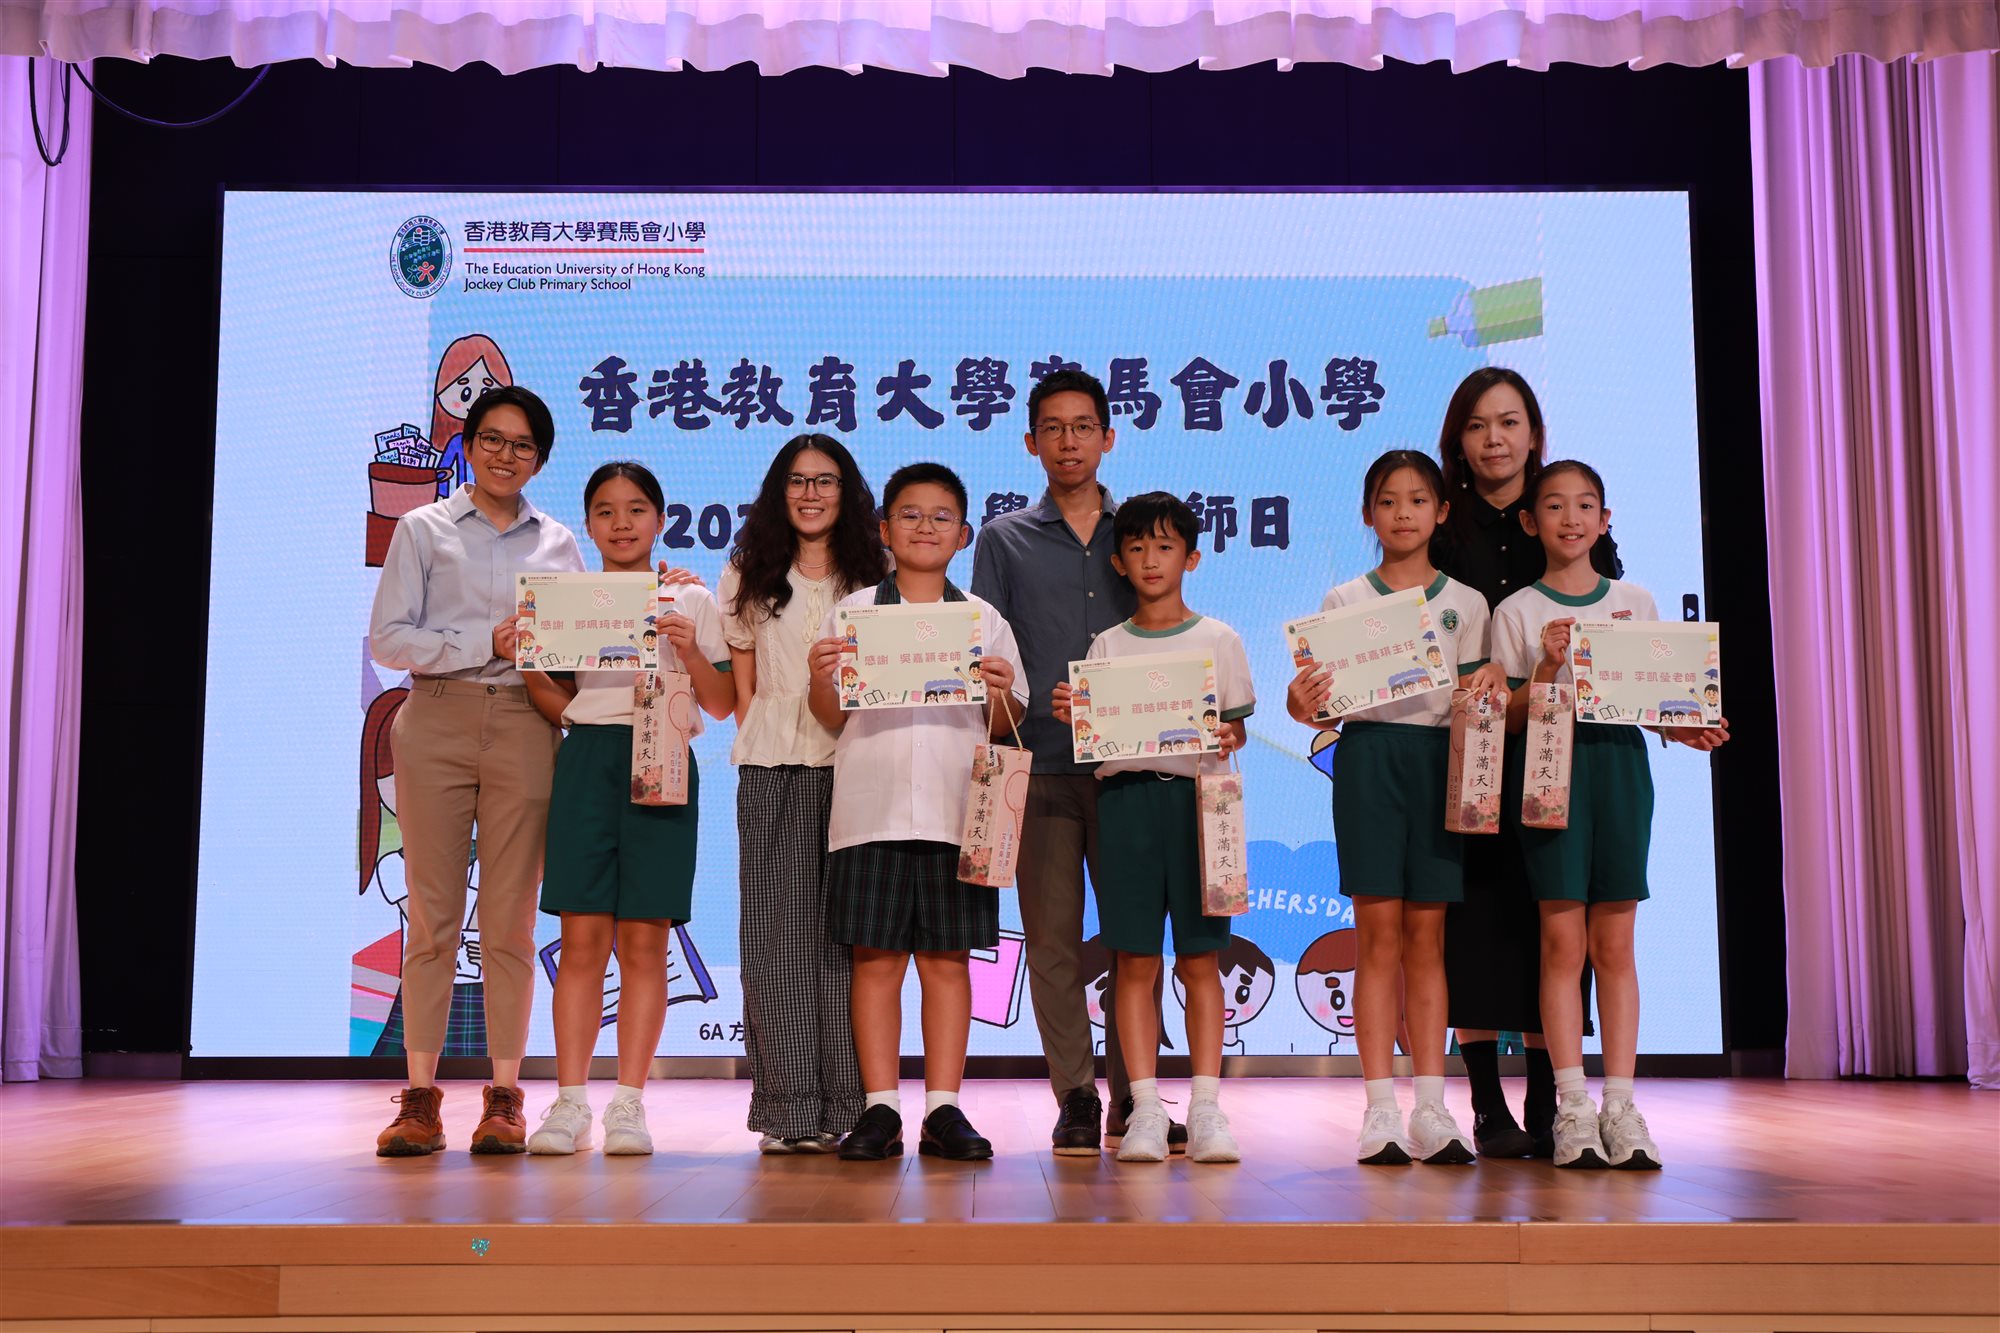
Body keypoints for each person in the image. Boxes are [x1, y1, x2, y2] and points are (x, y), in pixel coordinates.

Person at [1492, 461, 1729, 1169]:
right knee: (1562, 945)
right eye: (1554, 506)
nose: (1571, 519)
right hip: (1550, 774)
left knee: (1617, 946)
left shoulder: (1634, 600)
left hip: (1621, 773)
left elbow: (1654, 701)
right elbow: (1504, 718)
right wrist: (1544, 668)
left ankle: (1620, 1104)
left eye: (1585, 505)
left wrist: (1686, 727)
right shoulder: (1516, 611)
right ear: (1530, 521)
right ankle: (1572, 1106)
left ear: (1604, 519)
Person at [367, 384, 583, 1156]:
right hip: (436, 718)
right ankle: (420, 1099)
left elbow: (578, 647)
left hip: (526, 722)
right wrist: (481, 641)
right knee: (431, 916)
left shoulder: (558, 542)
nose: (505, 454)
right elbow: (389, 639)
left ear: (540, 460)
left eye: (522, 445)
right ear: (467, 444)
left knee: (510, 918)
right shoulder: (423, 528)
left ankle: (504, 1095)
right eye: (492, 438)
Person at [972, 369, 1174, 1157]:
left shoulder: (1141, 530)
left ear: (1108, 436)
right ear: (1031, 442)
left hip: (1132, 771)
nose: (1068, 441)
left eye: (1083, 426)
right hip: (1041, 764)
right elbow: (987, 647)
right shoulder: (1003, 538)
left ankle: (1138, 1097)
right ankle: (1077, 1096)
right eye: (1053, 428)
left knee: (1133, 941)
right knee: (1053, 942)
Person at [1287, 451, 1506, 1165]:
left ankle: (1433, 1107)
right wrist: (1301, 702)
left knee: (1428, 940)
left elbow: (1476, 703)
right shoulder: (1344, 600)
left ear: (1442, 511)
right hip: (1369, 762)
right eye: (1388, 501)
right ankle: (1380, 1106)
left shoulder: (1467, 603)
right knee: (1377, 937)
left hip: (1439, 762)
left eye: (1417, 500)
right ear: (1368, 514)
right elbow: (1317, 706)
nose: (1403, 513)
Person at [807, 463, 1029, 1161]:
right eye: (909, 514)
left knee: (946, 962)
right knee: (875, 962)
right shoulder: (853, 615)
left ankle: (943, 1108)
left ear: (963, 535)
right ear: (884, 529)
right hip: (869, 812)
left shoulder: (985, 621)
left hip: (957, 813)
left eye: (941, 517)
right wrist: (820, 677)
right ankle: (880, 1107)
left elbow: (1006, 722)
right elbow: (828, 717)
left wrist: (1000, 690)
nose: (925, 527)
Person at [521, 463, 734, 1156]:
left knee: (646, 942)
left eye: (637, 509)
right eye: (606, 511)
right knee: (582, 939)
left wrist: (687, 646)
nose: (622, 523)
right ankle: (569, 1101)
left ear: (661, 520)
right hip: (588, 760)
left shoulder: (691, 598)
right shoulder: (567, 600)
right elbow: (552, 694)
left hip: (664, 756)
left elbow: (722, 702)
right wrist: (535, 665)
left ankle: (630, 1103)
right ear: (587, 524)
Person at [1430, 367, 1605, 1158]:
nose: (1494, 439)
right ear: (1458, 441)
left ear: (1534, 433)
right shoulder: (1438, 520)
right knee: (1472, 923)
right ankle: (1484, 1103)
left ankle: (1549, 1096)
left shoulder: (1563, 514)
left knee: (1553, 922)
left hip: (1554, 753)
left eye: (1508, 422)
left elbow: (1610, 626)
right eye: (1477, 425)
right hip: (1462, 751)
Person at [1050, 492, 1254, 1164]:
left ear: (1191, 557)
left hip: (1201, 805)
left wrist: (1229, 733)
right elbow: (1096, 734)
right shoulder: (1107, 645)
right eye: (1136, 548)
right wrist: (1075, 712)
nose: (1150, 559)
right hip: (1127, 804)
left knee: (1200, 961)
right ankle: (1143, 1105)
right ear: (1118, 561)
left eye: (1165, 547)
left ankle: (1207, 1106)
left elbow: (1235, 728)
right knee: (1134, 960)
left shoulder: (1219, 638)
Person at [721, 434, 887, 1153]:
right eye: (797, 480)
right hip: (773, 768)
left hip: (858, 765)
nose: (811, 493)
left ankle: (848, 1105)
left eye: (826, 480)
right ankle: (789, 1110)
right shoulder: (747, 572)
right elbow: (744, 691)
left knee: (847, 944)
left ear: (847, 492)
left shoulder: (876, 573)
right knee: (776, 941)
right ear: (778, 491)